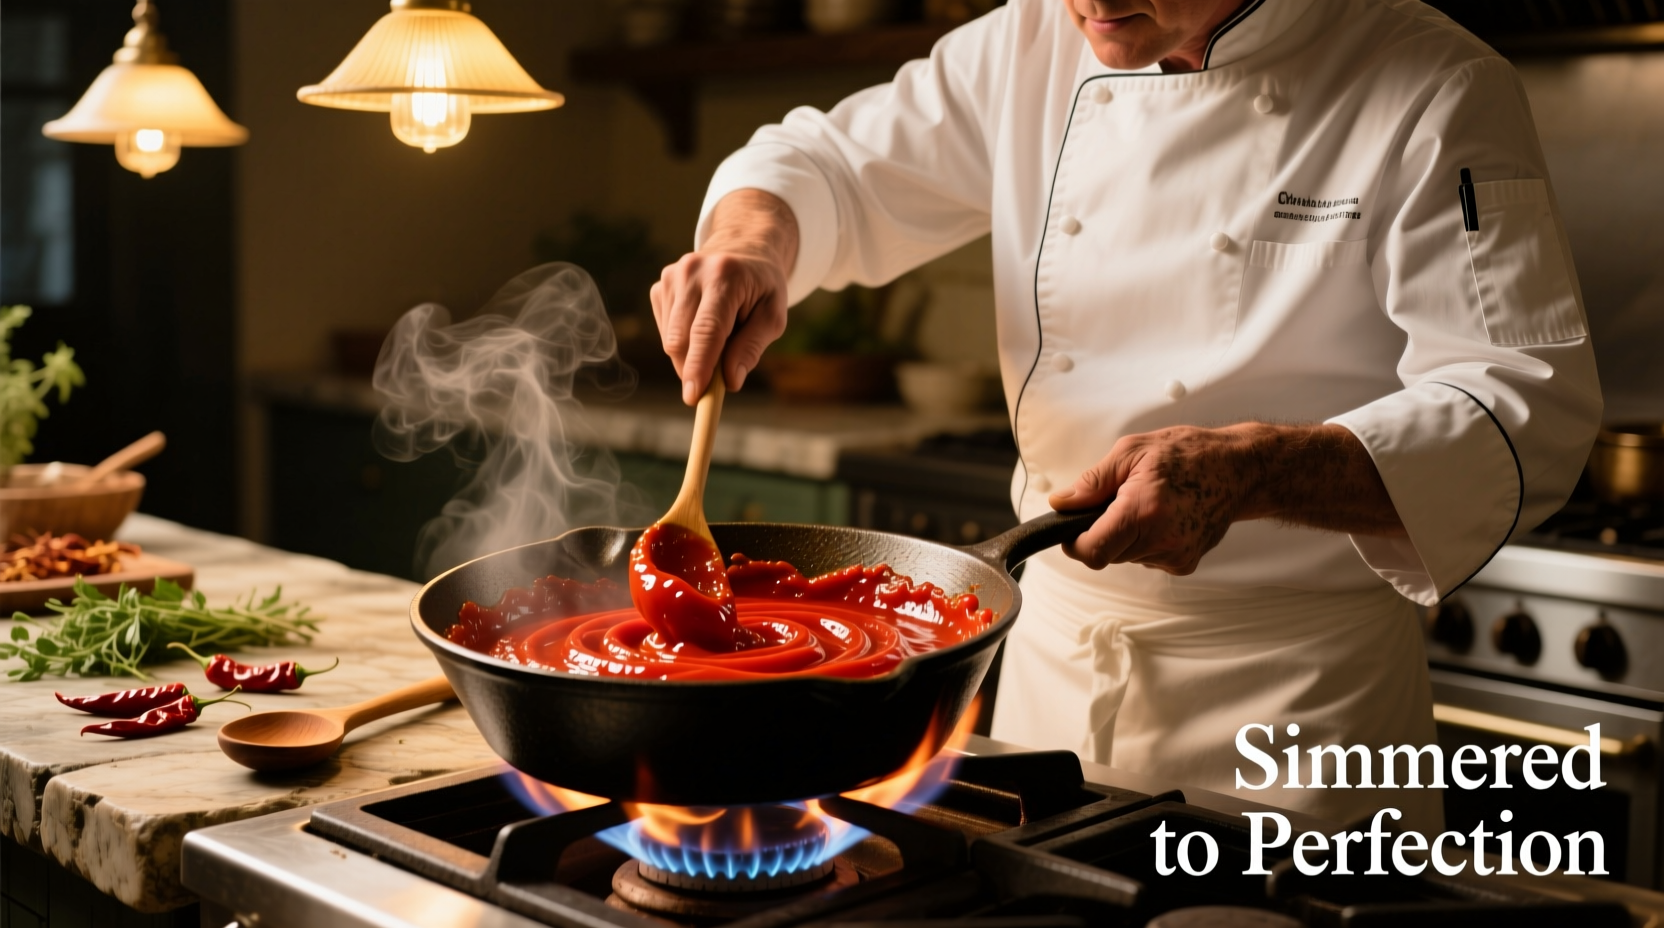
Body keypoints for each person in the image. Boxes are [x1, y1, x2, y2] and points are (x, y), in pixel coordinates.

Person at [648, 0, 1601, 832]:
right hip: (1046, 687)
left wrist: (1254, 468)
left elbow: (1526, 408)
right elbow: (825, 163)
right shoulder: (1030, 42)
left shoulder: (1436, 83)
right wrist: (752, 244)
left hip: (1297, 725)